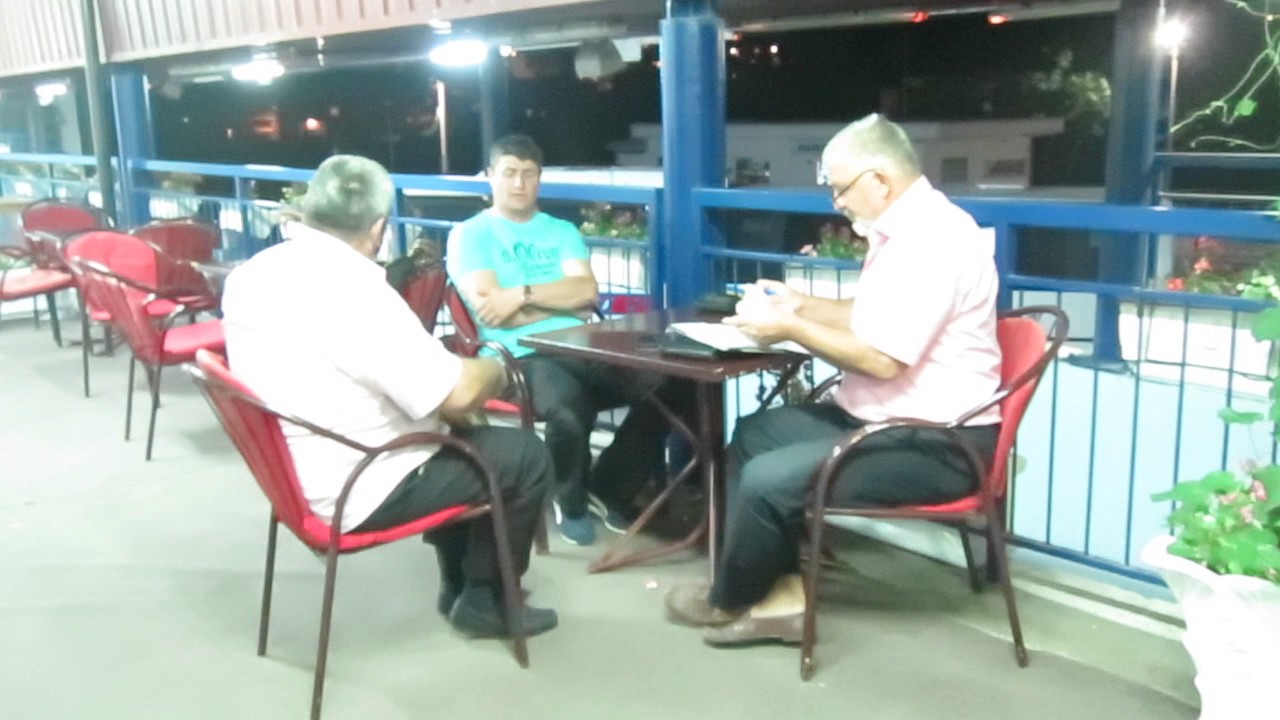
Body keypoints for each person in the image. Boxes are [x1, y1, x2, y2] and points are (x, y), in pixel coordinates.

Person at [664, 114, 1003, 646]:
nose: (836, 202)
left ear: (880, 181)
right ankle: (777, 594)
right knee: (754, 436)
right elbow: (872, 315)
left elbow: (883, 359)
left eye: (840, 188)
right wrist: (802, 304)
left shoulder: (935, 243)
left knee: (770, 479)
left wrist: (788, 327)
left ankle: (729, 600)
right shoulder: (902, 232)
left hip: (938, 443)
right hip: (880, 419)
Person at [221, 155, 558, 639]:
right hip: (358, 482)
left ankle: (459, 586)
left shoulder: (254, 272)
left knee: (460, 434)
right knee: (524, 456)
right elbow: (460, 393)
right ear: (379, 228)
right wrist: (497, 369)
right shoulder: (355, 292)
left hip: (295, 469)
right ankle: (488, 600)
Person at [447, 134, 693, 547]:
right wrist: (556, 301)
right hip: (519, 355)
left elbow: (586, 294)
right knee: (566, 410)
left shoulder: (561, 230)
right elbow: (490, 307)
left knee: (671, 387)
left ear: (539, 178)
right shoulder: (470, 235)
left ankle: (608, 486)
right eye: (509, 173)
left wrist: (523, 296)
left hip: (583, 344)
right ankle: (570, 500)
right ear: (490, 177)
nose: (519, 184)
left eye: (529, 174)